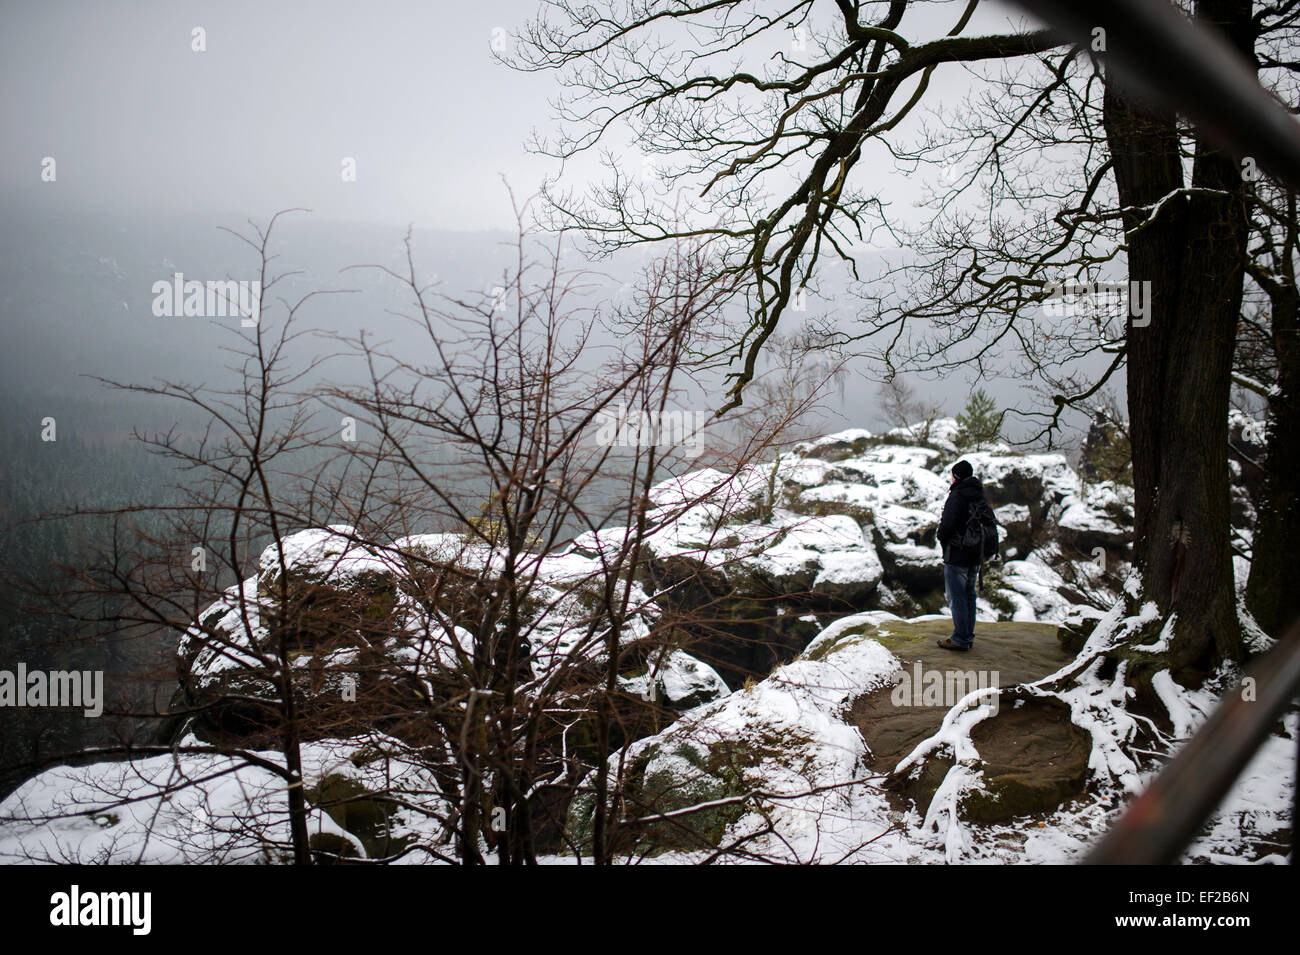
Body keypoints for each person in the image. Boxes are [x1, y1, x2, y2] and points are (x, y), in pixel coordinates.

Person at [935, 459, 987, 651]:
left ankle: (960, 639)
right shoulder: (979, 495)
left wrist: (942, 538)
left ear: (956, 476)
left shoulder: (957, 496)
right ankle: (967, 635)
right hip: (975, 555)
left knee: (956, 597)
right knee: (969, 595)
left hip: (957, 555)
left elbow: (946, 525)